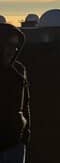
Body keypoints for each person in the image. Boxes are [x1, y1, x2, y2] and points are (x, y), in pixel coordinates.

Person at [0, 24, 29, 163]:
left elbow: (25, 103)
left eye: (16, 46)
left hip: (14, 144)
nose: (13, 50)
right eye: (9, 45)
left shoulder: (18, 70)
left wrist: (25, 136)